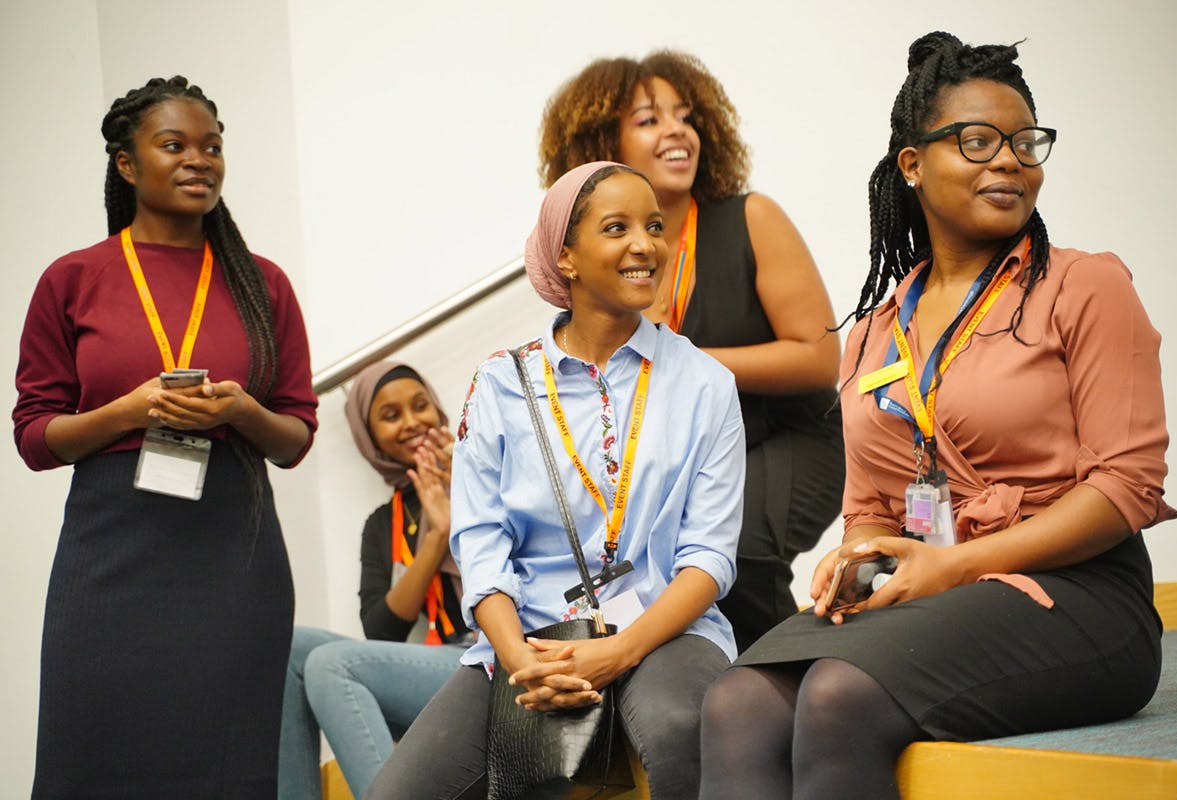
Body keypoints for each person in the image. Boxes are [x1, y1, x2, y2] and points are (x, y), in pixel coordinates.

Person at [698, 32, 1177, 800]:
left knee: (835, 695)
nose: (1010, 161)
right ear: (912, 164)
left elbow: (1126, 487)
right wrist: (857, 557)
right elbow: (870, 510)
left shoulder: (1085, 287)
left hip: (1080, 598)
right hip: (936, 594)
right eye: (978, 141)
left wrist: (949, 565)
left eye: (1025, 143)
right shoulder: (877, 332)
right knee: (736, 701)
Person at [364, 162, 745, 800]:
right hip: (531, 640)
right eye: (616, 228)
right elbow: (481, 543)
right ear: (565, 257)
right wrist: (517, 657)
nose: (645, 244)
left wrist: (617, 653)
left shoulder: (706, 383)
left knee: (682, 727)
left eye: (654, 226)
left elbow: (708, 557)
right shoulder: (500, 384)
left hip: (664, 628)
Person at [13, 76, 318, 798]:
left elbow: (295, 435)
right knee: (92, 762)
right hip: (113, 554)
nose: (199, 160)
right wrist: (129, 411)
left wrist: (239, 411)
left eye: (212, 146)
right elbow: (34, 437)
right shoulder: (73, 278)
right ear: (126, 164)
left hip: (233, 556)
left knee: (227, 765)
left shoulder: (262, 282)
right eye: (174, 145)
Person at [539, 51, 844, 651]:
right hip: (685, 460)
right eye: (650, 120)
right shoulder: (605, 269)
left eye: (685, 116)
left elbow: (818, 357)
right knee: (652, 574)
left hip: (785, 440)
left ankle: (801, 685)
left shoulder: (750, 217)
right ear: (603, 145)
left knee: (738, 552)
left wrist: (680, 354)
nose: (678, 131)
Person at [278, 361, 474, 799]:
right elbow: (381, 629)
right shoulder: (383, 524)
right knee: (290, 650)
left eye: (420, 406)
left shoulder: (481, 467)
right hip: (442, 662)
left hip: (495, 654)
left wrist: (466, 483)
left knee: (333, 665)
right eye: (390, 416)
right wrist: (435, 540)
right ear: (369, 438)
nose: (411, 422)